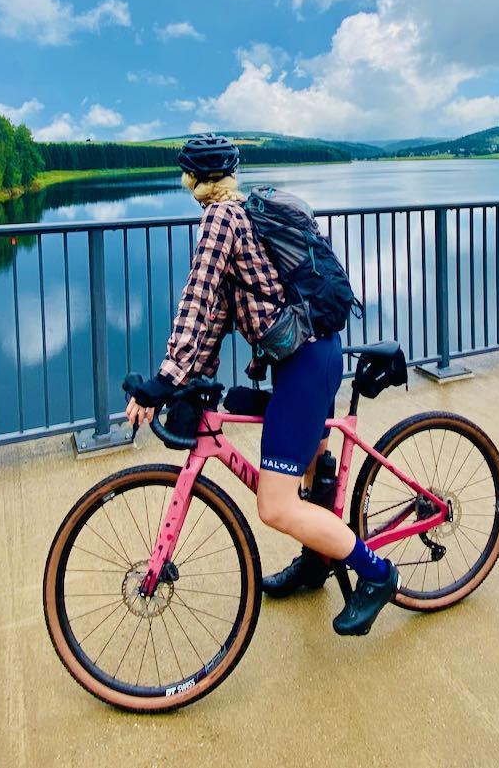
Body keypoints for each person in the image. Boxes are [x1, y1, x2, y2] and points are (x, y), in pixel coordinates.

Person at [125, 133, 399, 636]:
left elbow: (196, 297)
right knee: (307, 472)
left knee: (275, 504)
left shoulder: (220, 219)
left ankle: (377, 574)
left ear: (191, 177)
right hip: (304, 354)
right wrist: (189, 378)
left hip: (305, 362)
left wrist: (165, 377)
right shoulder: (238, 215)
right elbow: (216, 315)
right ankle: (316, 564)